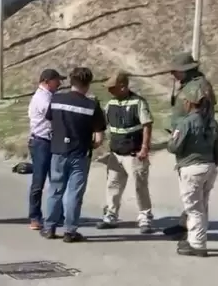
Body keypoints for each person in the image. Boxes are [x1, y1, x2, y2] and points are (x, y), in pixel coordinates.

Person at [42, 67, 106, 242]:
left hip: (58, 151)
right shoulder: (92, 105)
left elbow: (49, 121)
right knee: (73, 193)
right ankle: (70, 231)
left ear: (71, 81)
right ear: (88, 84)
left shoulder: (56, 99)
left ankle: (49, 228)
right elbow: (99, 137)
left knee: (55, 190)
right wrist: (91, 143)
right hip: (80, 153)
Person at [163, 52, 218, 238]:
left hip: (193, 142)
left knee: (196, 195)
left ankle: (195, 235)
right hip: (185, 137)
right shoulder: (189, 86)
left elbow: (204, 116)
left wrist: (188, 132)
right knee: (193, 193)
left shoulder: (200, 87)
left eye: (176, 71)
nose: (173, 74)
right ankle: (186, 224)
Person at [166, 83, 218, 257]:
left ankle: (198, 244)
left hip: (191, 168)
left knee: (194, 208)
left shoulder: (186, 123)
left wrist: (171, 138)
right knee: (203, 205)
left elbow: (173, 147)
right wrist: (212, 163)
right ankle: (194, 239)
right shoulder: (213, 123)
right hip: (209, 167)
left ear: (189, 103)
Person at [96, 72, 155, 234]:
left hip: (134, 153)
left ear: (123, 86)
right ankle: (111, 214)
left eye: (112, 88)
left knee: (139, 186)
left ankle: (145, 217)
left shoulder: (138, 102)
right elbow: (103, 122)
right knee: (113, 185)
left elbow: (147, 125)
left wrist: (144, 148)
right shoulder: (111, 103)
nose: (109, 91)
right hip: (116, 153)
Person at [27, 68, 65, 231]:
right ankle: (35, 217)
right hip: (41, 143)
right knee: (39, 181)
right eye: (57, 80)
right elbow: (54, 114)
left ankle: (58, 215)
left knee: (56, 179)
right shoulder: (42, 98)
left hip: (52, 141)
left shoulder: (50, 96)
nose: (60, 83)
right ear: (47, 81)